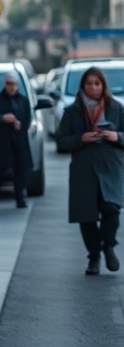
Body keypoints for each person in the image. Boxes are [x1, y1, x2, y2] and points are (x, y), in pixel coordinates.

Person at [55, 66, 124, 275]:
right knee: (86, 217)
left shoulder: (116, 107)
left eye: (97, 83)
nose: (93, 87)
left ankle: (108, 245)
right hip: (83, 170)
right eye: (89, 83)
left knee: (112, 210)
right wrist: (81, 138)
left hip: (110, 166)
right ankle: (93, 257)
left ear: (103, 85)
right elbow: (61, 141)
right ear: (83, 86)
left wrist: (117, 137)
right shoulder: (72, 111)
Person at [0, 71, 33, 208]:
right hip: (4, 141)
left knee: (21, 170)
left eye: (14, 84)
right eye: (9, 84)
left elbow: (27, 119)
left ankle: (20, 198)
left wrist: (20, 125)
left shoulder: (23, 100)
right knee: (2, 169)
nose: (12, 87)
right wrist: (2, 118)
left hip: (19, 141)